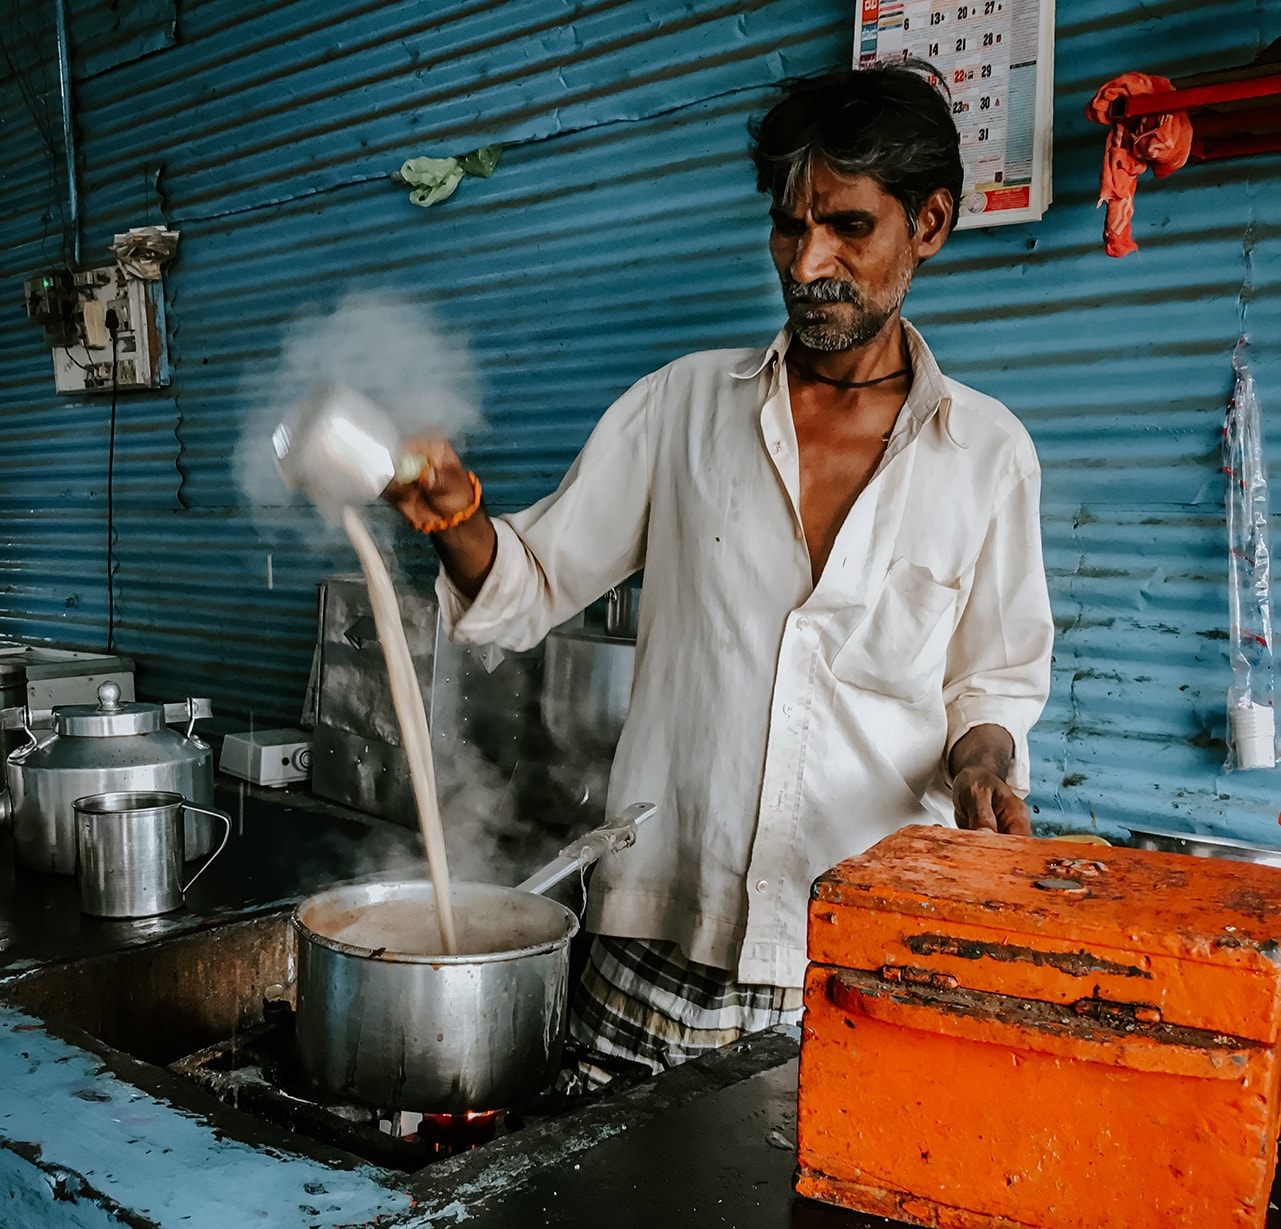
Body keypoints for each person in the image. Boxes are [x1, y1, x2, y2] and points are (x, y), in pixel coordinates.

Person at [385, 62, 1054, 1076]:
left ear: (931, 223)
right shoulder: (681, 408)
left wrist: (984, 766)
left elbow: (993, 682)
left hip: (852, 965)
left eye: (849, 227)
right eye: (790, 227)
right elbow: (526, 586)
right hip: (656, 941)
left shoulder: (988, 453)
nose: (808, 260)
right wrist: (457, 518)